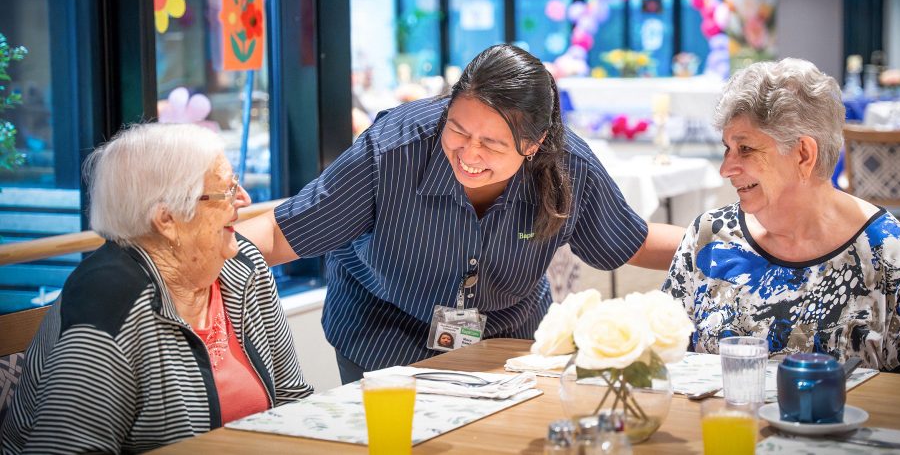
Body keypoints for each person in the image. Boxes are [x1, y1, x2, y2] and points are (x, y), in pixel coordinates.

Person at [238, 44, 684, 383]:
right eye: (457, 128)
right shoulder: (394, 152)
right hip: (384, 336)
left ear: (533, 143)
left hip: (508, 341)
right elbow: (282, 234)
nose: (468, 153)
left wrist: (735, 239)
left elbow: (634, 241)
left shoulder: (568, 168)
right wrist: (184, 262)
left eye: (491, 143)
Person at [1, 124, 313, 453]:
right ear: (167, 219)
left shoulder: (243, 265)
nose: (245, 200)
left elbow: (293, 400)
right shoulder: (107, 303)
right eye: (226, 190)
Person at [662, 58, 900, 377]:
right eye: (727, 149)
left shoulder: (884, 248)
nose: (726, 169)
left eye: (745, 149)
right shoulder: (710, 233)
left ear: (804, 154)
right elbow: (662, 356)